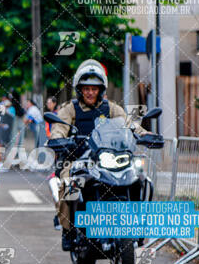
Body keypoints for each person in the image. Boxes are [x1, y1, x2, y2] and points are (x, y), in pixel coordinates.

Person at [49, 59, 149, 251]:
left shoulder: (111, 108)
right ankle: (68, 230)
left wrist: (145, 134)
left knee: (140, 178)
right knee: (69, 184)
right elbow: (59, 129)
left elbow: (129, 124)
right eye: (86, 88)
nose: (90, 92)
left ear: (101, 89)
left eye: (94, 89)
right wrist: (58, 139)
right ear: (79, 89)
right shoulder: (70, 108)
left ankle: (137, 228)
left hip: (106, 159)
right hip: (78, 160)